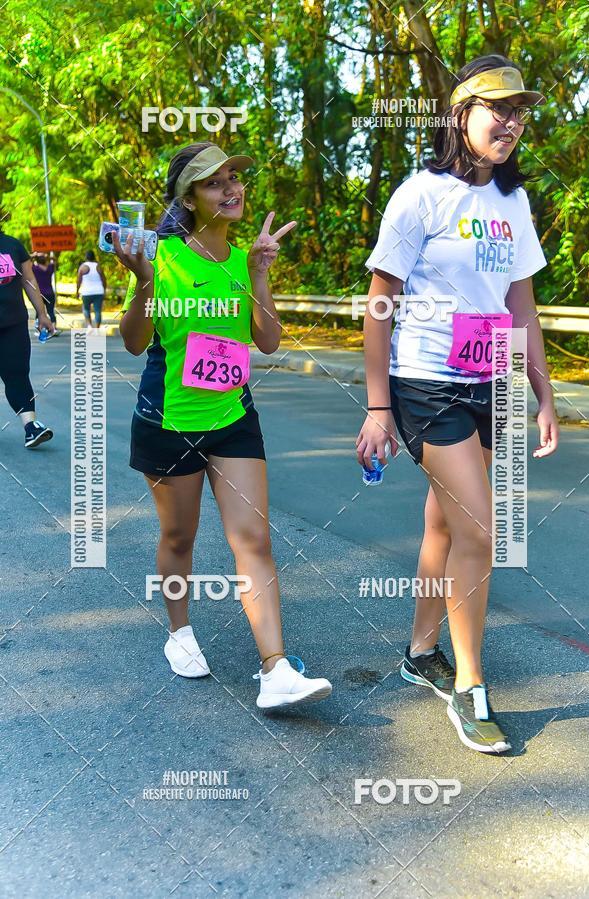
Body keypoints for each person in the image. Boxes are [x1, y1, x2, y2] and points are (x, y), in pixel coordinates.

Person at [356, 55, 559, 753]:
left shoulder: (513, 203)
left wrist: (542, 392)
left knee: (444, 523)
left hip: (490, 377)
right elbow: (379, 303)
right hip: (426, 382)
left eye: (519, 113)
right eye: (498, 109)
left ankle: (421, 652)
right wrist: (378, 407)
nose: (512, 123)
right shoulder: (420, 195)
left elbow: (521, 306)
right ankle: (471, 686)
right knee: (480, 529)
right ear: (460, 114)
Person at [114, 142, 332, 710]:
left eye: (234, 177)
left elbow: (268, 341)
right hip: (169, 420)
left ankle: (276, 668)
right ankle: (179, 631)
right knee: (179, 537)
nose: (231, 188)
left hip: (233, 416)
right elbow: (134, 342)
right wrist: (143, 281)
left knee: (253, 539)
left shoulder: (242, 258)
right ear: (188, 199)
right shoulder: (160, 256)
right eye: (214, 182)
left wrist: (258, 273)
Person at [0, 229, 55, 447]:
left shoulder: (13, 245)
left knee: (18, 374)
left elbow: (29, 280)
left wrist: (42, 314)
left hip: (13, 325)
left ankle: (31, 427)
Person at [77, 250, 106, 331]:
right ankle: (97, 329)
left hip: (86, 292)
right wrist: (104, 289)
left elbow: (78, 281)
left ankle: (89, 326)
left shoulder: (82, 267)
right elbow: (104, 280)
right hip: (99, 292)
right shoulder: (98, 266)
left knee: (86, 309)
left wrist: (77, 291)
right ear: (94, 257)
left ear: (86, 257)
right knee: (98, 311)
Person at [32, 253, 59, 336]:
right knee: (51, 311)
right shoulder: (50, 268)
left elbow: (27, 261)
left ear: (37, 261)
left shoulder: (35, 268)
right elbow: (55, 260)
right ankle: (53, 329)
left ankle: (39, 330)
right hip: (50, 293)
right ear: (45, 260)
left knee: (39, 312)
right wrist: (48, 257)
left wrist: (34, 256)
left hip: (39, 294)